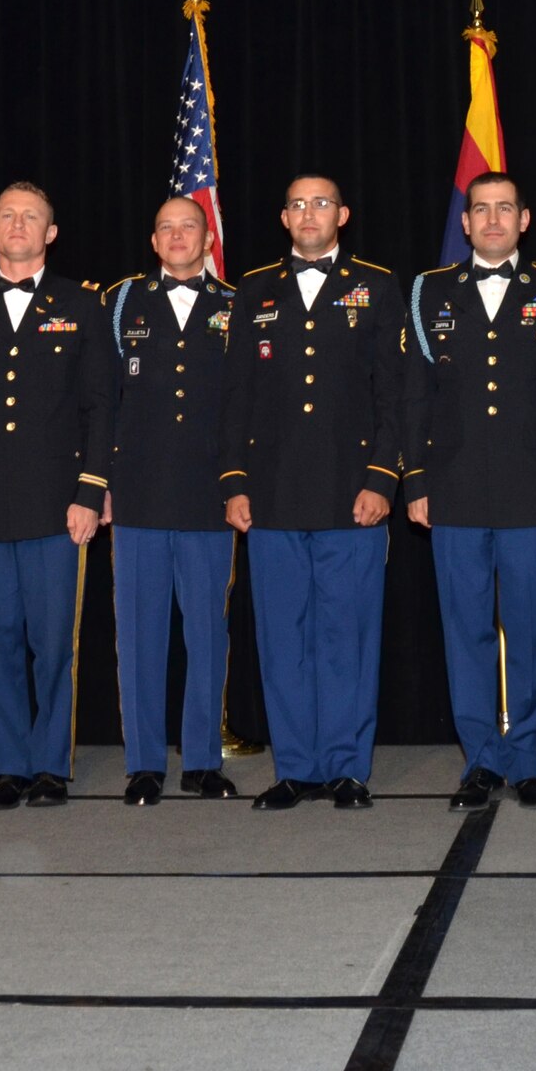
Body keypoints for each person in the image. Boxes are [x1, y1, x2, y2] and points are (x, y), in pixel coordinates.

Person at [404, 172, 536, 812]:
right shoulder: (429, 292)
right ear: (465, 222)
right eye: (480, 209)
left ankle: (530, 760)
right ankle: (481, 760)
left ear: (524, 218)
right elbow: (415, 396)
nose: (491, 220)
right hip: (452, 490)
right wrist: (416, 481)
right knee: (466, 631)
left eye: (503, 209)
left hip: (534, 489)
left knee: (532, 629)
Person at [220, 176, 405, 811]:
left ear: (342, 215)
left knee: (347, 636)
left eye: (321, 202)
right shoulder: (253, 289)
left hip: (351, 495)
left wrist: (383, 477)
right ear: (283, 216)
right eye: (297, 202)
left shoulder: (376, 286)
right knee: (281, 637)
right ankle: (296, 767)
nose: (308, 212)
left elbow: (393, 394)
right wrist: (236, 483)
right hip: (270, 497)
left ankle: (348, 767)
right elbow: (235, 396)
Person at [0, 182, 114, 811]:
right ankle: (8, 765)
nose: (18, 225)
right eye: (7, 215)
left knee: (53, 638)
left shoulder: (81, 305)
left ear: (50, 233)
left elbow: (100, 405)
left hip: (55, 502)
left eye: (31, 216)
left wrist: (91, 490)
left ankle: (50, 767)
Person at [99, 196, 240, 806]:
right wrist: (98, 484)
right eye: (166, 228)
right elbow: (101, 401)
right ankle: (144, 764)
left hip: (210, 496)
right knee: (139, 634)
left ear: (207, 239)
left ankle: (203, 760)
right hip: (136, 495)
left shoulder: (237, 307)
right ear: (153, 242)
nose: (177, 236)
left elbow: (246, 408)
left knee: (208, 633)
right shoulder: (121, 302)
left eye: (189, 226)